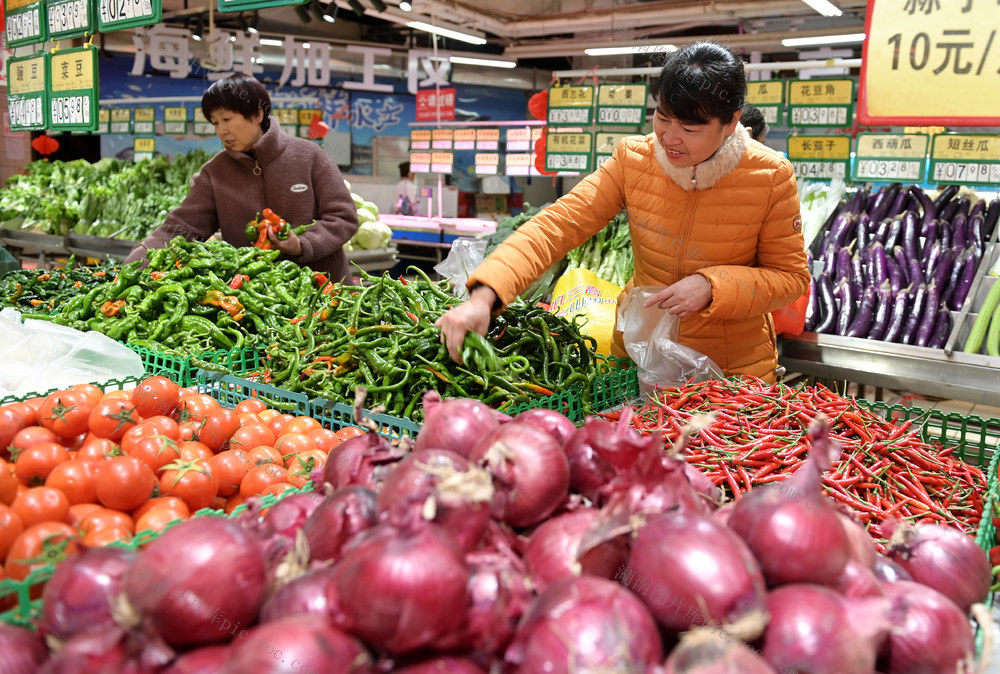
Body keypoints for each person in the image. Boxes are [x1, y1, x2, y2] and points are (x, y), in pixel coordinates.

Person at [435, 41, 810, 383]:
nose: (670, 137)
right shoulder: (634, 160)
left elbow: (790, 278)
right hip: (640, 359)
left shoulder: (770, 176)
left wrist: (713, 287)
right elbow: (558, 224)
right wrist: (483, 298)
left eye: (690, 127)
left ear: (731, 122)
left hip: (732, 374)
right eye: (662, 117)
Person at [125, 74, 359, 282]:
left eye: (227, 120)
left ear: (257, 114)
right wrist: (139, 259)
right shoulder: (214, 173)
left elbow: (343, 217)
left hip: (326, 293)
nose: (221, 130)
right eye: (215, 123)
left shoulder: (310, 156)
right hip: (259, 298)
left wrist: (302, 244)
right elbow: (180, 229)